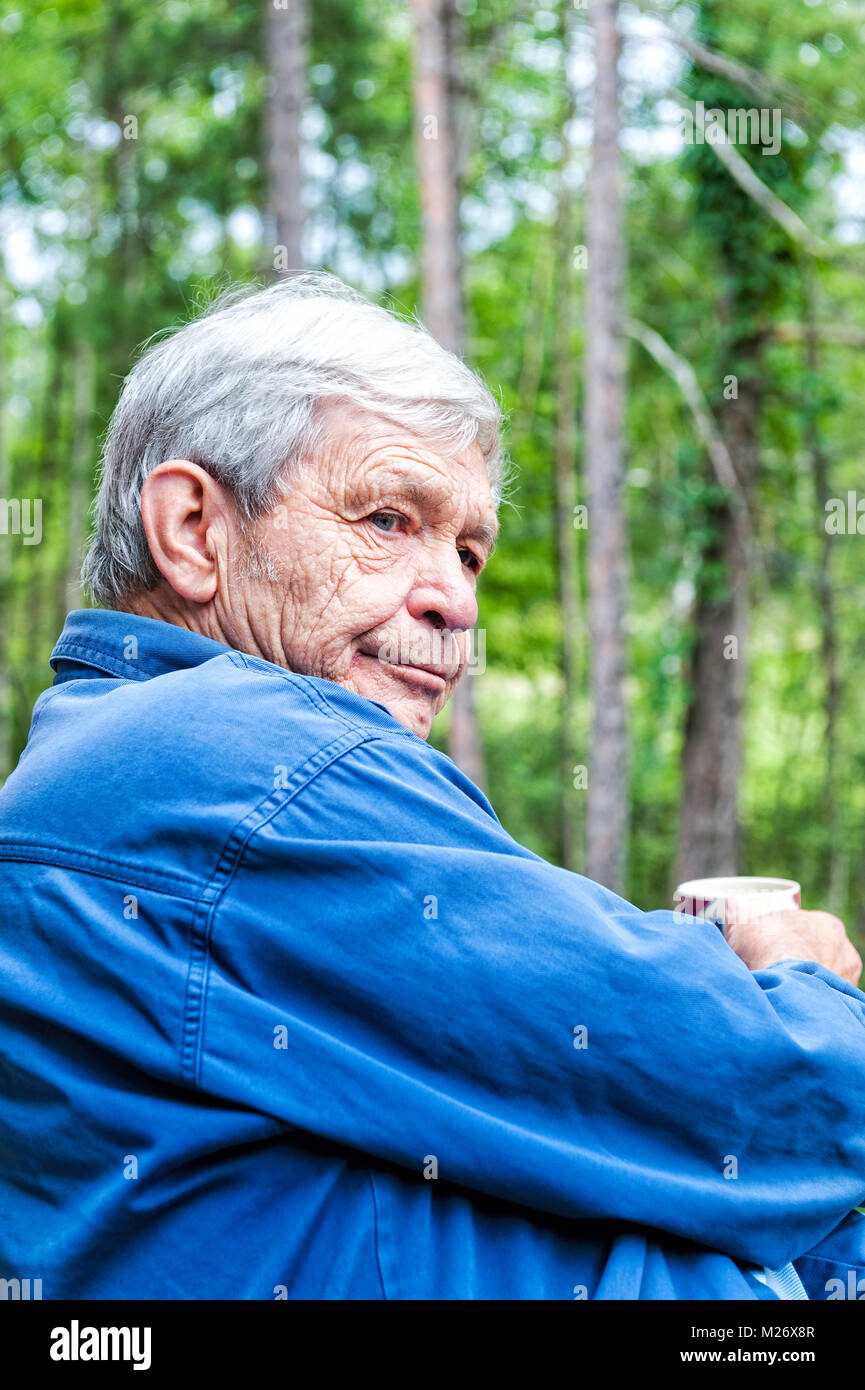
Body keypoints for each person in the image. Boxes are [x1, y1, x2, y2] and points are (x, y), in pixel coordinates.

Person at [1, 273, 863, 1301]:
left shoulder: (108, 766)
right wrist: (806, 986)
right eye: (386, 518)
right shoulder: (251, 764)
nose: (455, 599)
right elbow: (758, 1096)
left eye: (469, 550)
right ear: (194, 529)